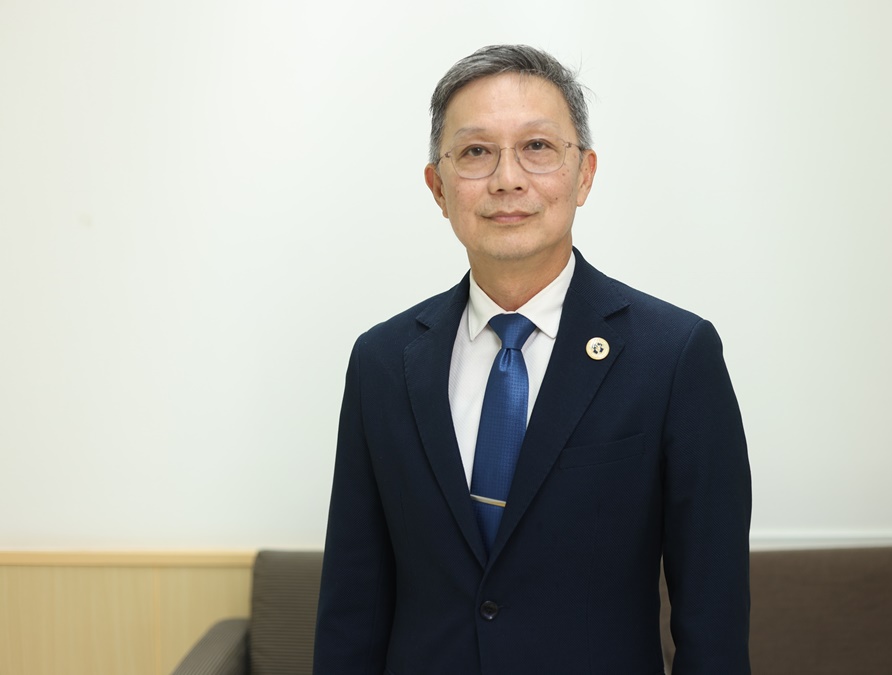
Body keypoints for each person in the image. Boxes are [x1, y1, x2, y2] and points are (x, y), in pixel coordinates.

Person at [313, 44, 751, 675]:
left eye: (538, 147)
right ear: (438, 187)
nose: (507, 179)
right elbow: (351, 604)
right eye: (475, 152)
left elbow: (713, 621)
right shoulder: (383, 361)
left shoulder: (674, 355)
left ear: (585, 174)